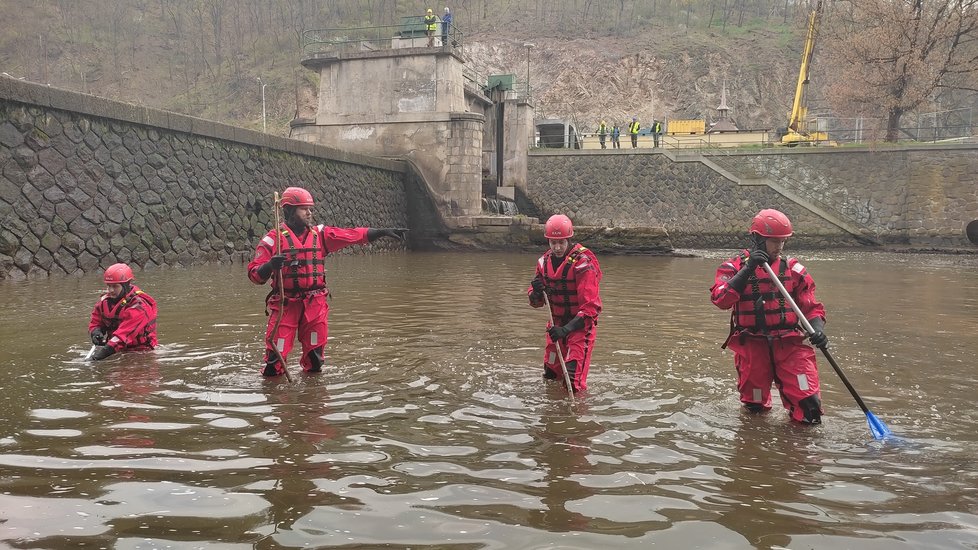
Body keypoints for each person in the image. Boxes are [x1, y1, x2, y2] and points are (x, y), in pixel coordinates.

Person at [248, 186, 408, 377]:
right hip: (286, 304)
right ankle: (277, 400)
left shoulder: (320, 235)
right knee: (273, 364)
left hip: (315, 303)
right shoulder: (273, 240)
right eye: (303, 209)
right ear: (289, 210)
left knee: (315, 361)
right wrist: (270, 266)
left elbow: (352, 235)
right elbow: (255, 275)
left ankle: (313, 401)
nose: (309, 213)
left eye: (310, 209)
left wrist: (381, 232)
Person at [710, 208, 828, 424]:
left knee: (809, 407)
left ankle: (800, 451)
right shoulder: (732, 267)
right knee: (754, 409)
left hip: (790, 345)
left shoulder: (794, 269)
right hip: (753, 346)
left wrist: (818, 329)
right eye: (774, 241)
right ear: (757, 239)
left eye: (783, 241)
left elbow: (811, 308)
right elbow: (720, 299)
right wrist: (748, 269)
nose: (779, 247)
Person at [527, 214, 603, 393]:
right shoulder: (543, 263)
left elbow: (591, 308)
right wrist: (536, 291)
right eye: (553, 243)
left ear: (568, 239)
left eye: (561, 242)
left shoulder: (583, 264)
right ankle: (553, 409)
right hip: (556, 327)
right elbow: (536, 301)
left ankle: (577, 413)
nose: (557, 247)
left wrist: (566, 330)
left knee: (572, 381)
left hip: (579, 328)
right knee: (551, 374)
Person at [88, 263, 158, 361]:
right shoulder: (104, 302)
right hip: (116, 350)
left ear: (126, 285)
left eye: (115, 286)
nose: (111, 290)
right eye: (109, 286)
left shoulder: (139, 306)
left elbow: (123, 336)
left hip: (141, 353)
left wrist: (101, 355)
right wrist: (95, 331)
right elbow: (95, 321)